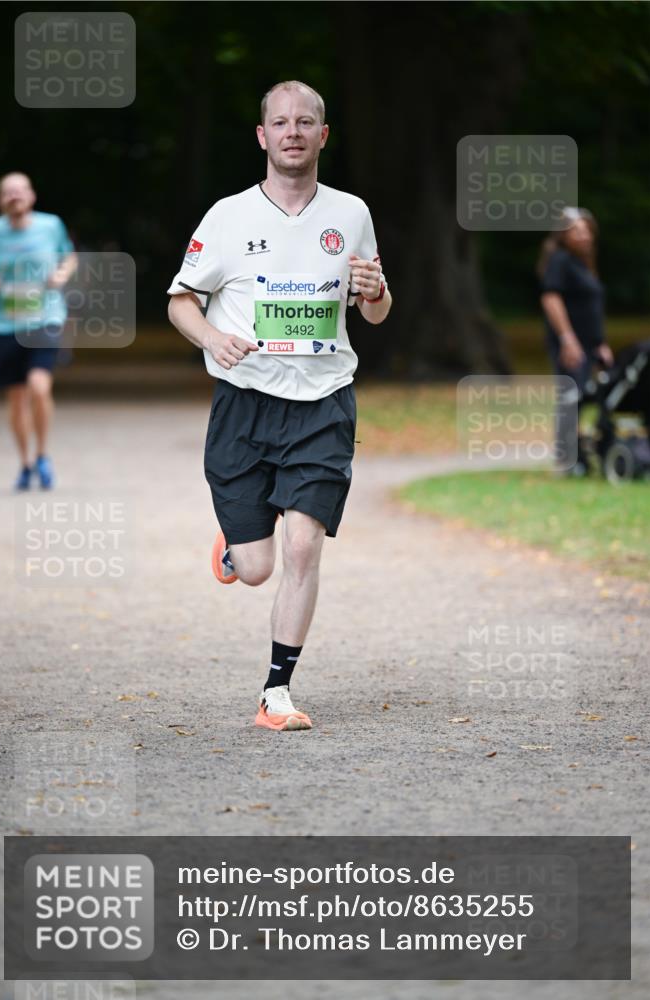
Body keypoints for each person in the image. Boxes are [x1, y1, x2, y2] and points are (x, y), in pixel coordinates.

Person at [167, 80, 392, 732]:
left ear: (323, 136)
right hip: (245, 404)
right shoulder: (228, 216)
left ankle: (276, 692)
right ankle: (240, 546)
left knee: (302, 548)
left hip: (323, 401)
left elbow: (374, 310)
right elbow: (180, 300)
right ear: (263, 136)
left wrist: (375, 292)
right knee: (261, 567)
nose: (292, 132)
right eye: (280, 122)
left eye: (306, 122)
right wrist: (212, 337)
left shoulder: (350, 213)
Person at [0, 172, 76, 490]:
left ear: (31, 196)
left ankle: (42, 455)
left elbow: (70, 258)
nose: (14, 196)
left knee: (39, 386)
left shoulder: (51, 225)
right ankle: (25, 463)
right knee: (16, 399)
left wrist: (62, 275)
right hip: (7, 323)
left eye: (19, 191)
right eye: (7, 192)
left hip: (46, 317)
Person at [538, 206, 613, 475]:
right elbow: (551, 298)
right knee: (570, 397)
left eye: (586, 230)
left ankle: (583, 453)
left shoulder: (583, 265)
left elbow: (591, 309)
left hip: (589, 345)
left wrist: (600, 343)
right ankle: (567, 459)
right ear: (563, 235)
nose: (583, 235)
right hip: (571, 344)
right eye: (576, 230)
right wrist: (567, 338)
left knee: (586, 397)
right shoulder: (560, 261)